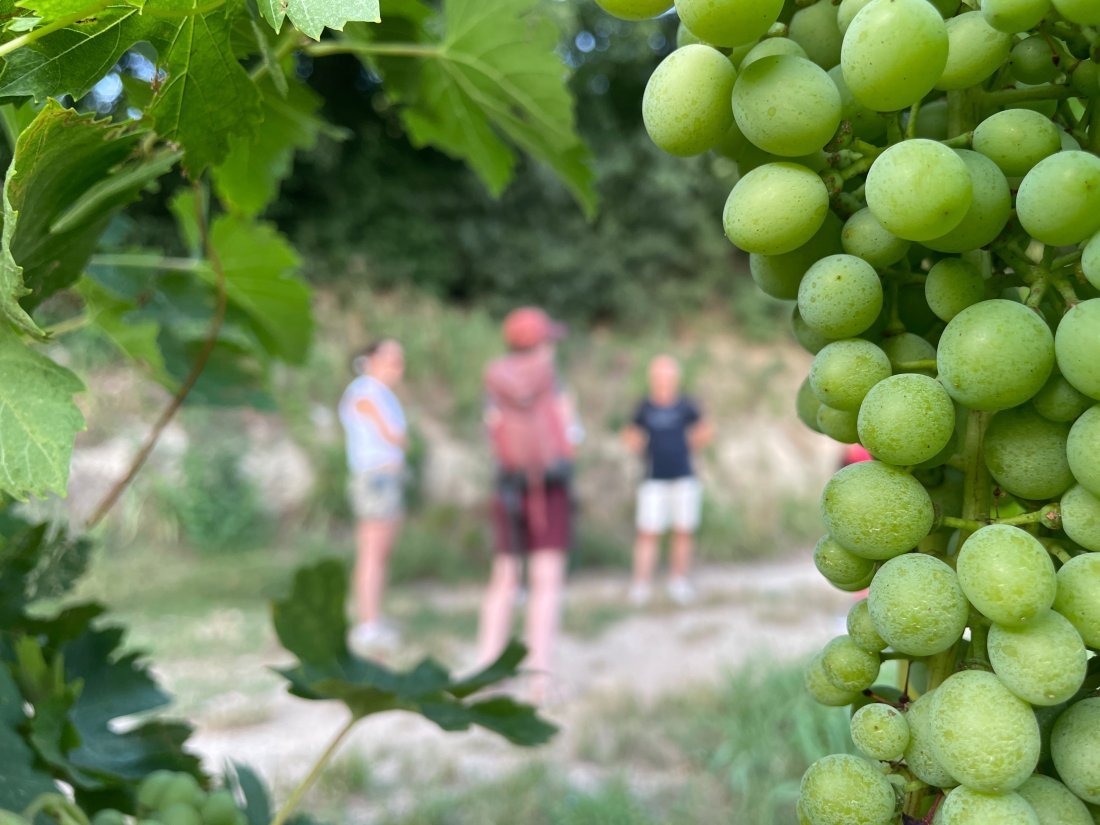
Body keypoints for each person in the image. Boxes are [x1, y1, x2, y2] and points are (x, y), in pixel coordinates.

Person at [476, 307, 581, 703]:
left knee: (504, 578)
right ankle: (540, 678)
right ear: (541, 342)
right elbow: (570, 435)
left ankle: (487, 668)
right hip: (549, 486)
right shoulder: (552, 380)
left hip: (509, 485)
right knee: (546, 581)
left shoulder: (495, 378)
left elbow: (490, 431)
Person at [622, 354, 714, 606]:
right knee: (647, 533)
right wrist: (641, 446)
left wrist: (688, 444)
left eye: (667, 376)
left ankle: (678, 582)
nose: (663, 380)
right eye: (659, 376)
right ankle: (641, 585)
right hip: (653, 479)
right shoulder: (644, 406)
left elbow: (706, 429)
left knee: (683, 531)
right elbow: (629, 433)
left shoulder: (686, 405)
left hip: (684, 477)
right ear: (652, 379)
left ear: (676, 379)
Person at [339, 339, 408, 653]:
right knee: (371, 552)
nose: (398, 368)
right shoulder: (365, 392)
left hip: (385, 479)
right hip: (375, 480)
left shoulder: (379, 393)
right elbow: (394, 436)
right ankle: (367, 625)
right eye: (392, 360)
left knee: (380, 553)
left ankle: (373, 618)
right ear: (371, 359)